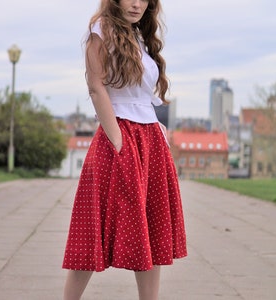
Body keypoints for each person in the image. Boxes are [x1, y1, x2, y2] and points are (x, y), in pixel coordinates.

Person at [62, 0, 187, 299]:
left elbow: (142, 95)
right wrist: (117, 139)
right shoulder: (100, 31)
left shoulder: (140, 37)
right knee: (92, 229)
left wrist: (157, 129)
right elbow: (95, 86)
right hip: (117, 135)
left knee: (152, 228)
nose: (137, 4)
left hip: (151, 140)